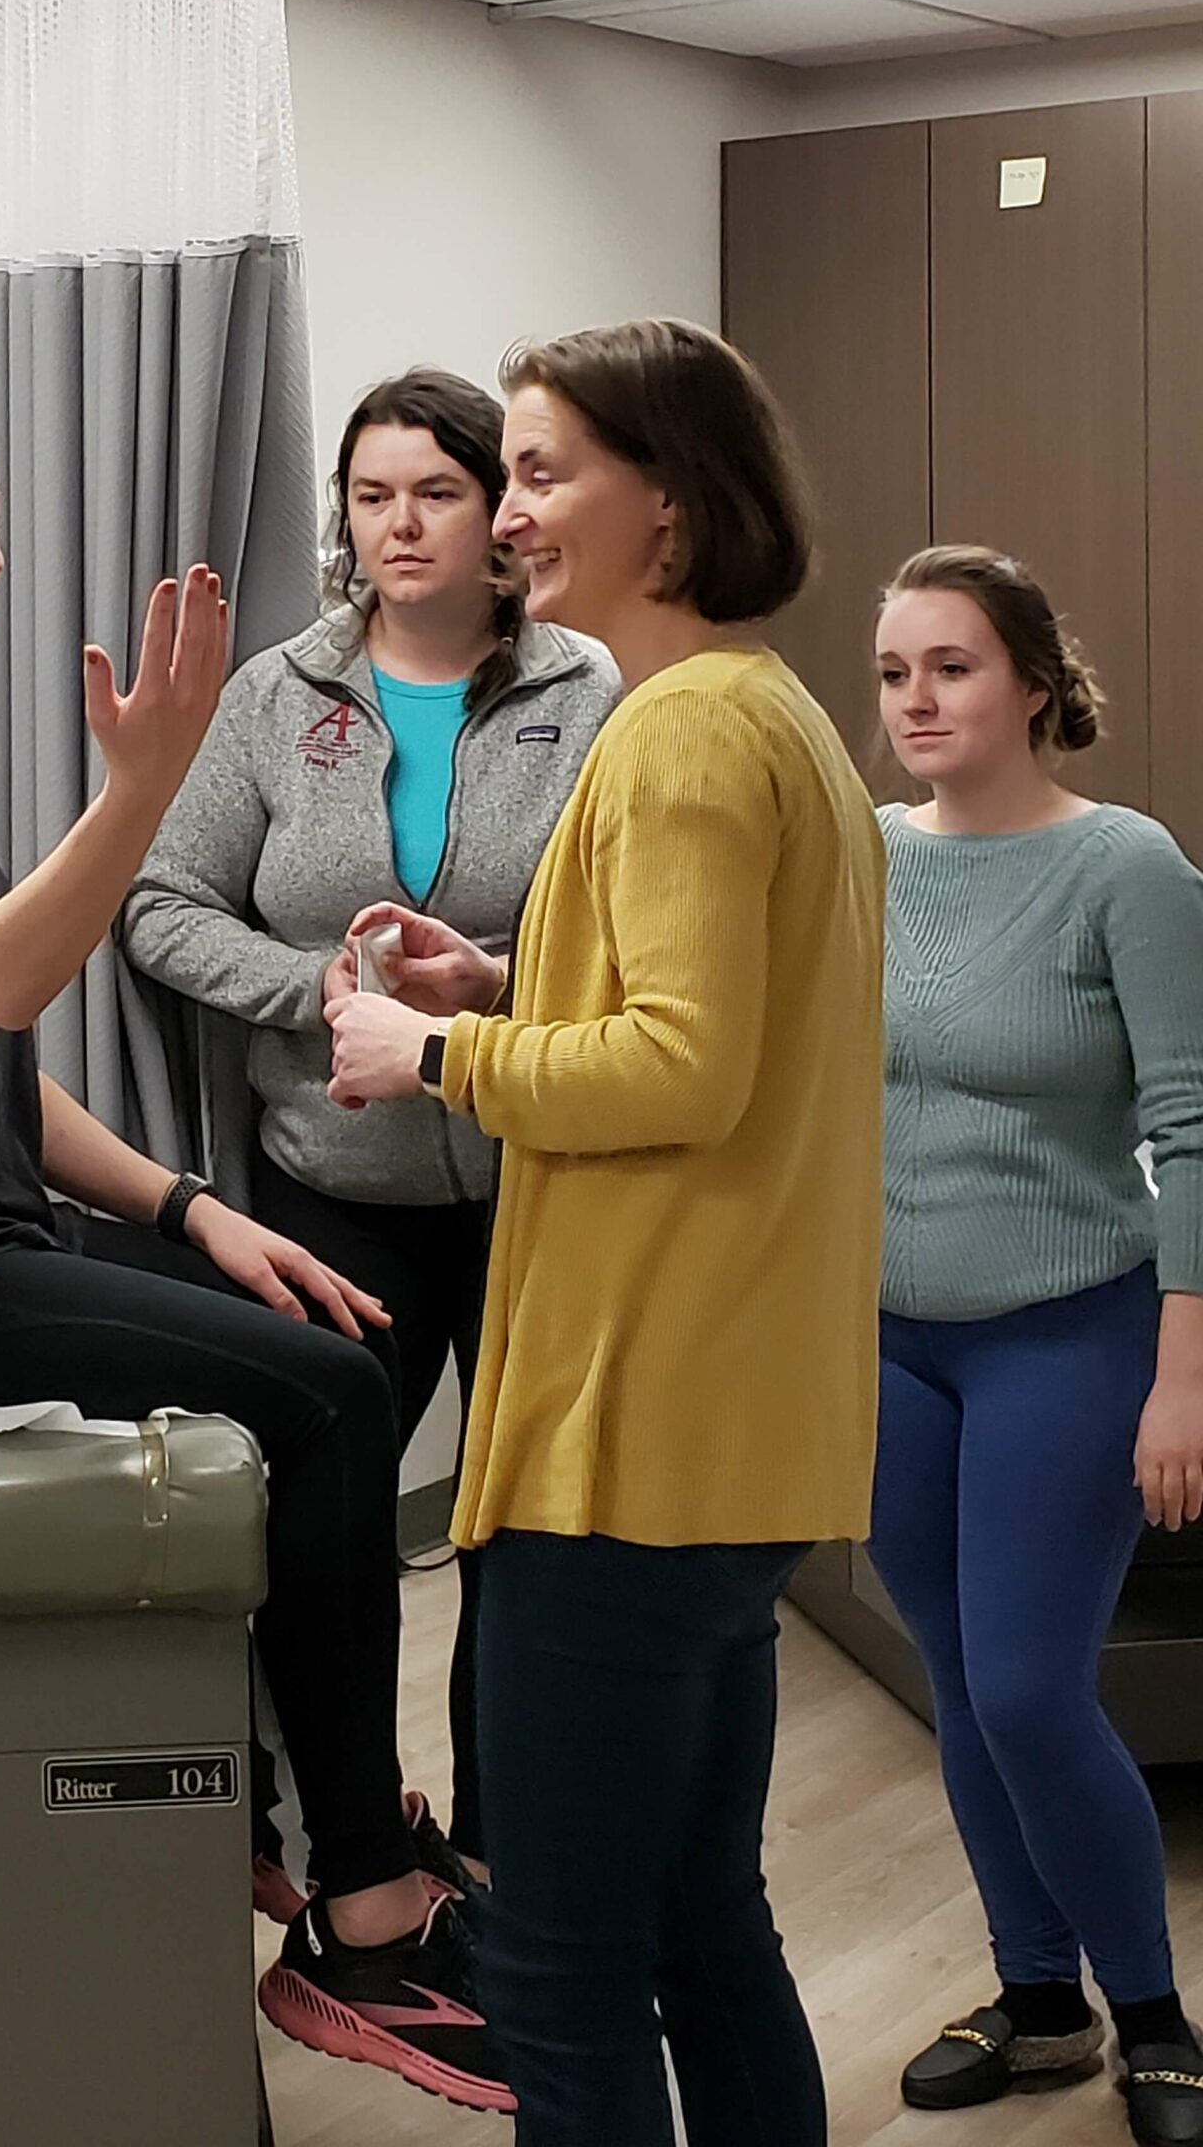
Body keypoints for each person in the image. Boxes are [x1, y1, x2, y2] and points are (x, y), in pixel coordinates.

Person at [0, 381, 511, 2117]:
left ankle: (278, 1825)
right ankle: (361, 1910)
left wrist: (199, 1213)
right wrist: (146, 781)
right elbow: (0, 969)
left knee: (311, 1323)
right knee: (341, 1401)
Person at [325, 318, 884, 2147]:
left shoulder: (678, 734)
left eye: (549, 473)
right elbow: (720, 1018)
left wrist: (438, 1049)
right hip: (735, 1433)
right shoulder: (766, 711)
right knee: (702, 1920)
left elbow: (686, 1068)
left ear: (676, 502)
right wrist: (510, 972)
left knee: (559, 1966)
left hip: (635, 1443)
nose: (510, 514)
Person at [122, 366, 616, 1887]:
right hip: (332, 1182)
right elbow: (158, 906)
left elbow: (638, 938)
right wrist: (320, 992)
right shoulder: (279, 697)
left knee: (524, 1544)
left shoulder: (589, 691)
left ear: (498, 515)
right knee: (322, 1534)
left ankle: (507, 1861)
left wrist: (485, 1004)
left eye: (438, 493)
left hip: (544, 1178)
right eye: (372, 494)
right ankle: (355, 1853)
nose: (400, 526)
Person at [870, 545, 1203, 2146]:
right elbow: (717, 1013)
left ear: (1034, 686)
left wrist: (1186, 1378)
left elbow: (1195, 1130)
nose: (916, 702)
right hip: (886, 1342)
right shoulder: (863, 858)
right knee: (956, 1677)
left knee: (1025, 1685)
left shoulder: (1126, 865)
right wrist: (493, 986)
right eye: (892, 675)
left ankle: (1154, 2019)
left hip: (1069, 1334)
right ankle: (1040, 2002)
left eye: (952, 667)